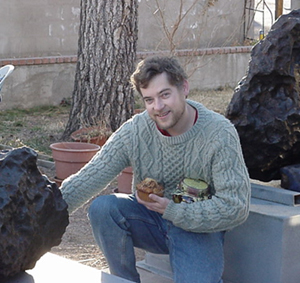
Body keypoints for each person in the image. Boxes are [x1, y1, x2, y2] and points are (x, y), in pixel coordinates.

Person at [60, 56, 251, 283]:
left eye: (165, 95)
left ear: (184, 87)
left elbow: (236, 205)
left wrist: (174, 211)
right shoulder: (136, 130)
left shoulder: (219, 133)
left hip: (197, 226)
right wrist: (46, 208)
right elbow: (92, 175)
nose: (157, 107)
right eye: (149, 99)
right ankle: (124, 280)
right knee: (104, 208)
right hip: (149, 220)